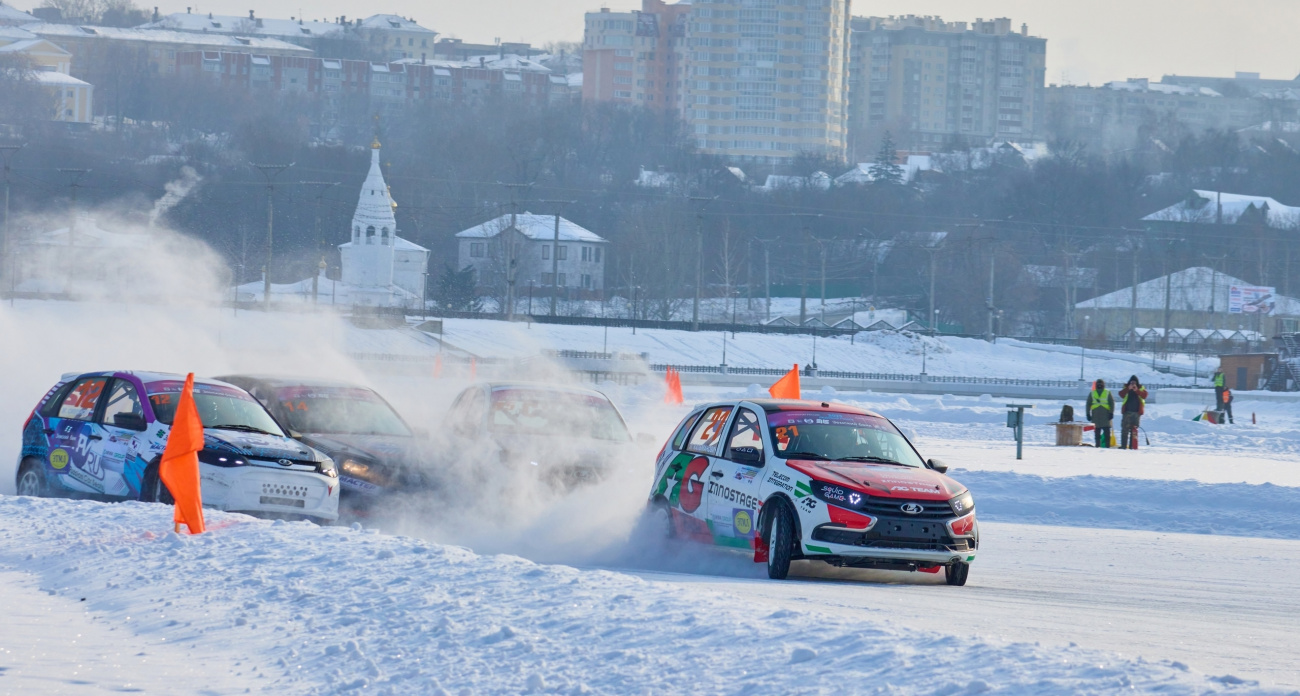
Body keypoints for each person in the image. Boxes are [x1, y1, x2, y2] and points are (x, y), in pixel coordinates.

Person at [1118, 375, 1147, 449]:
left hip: (1136, 413)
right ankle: (1123, 446)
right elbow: (1121, 394)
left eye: (1134, 383)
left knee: (1134, 431)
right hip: (1127, 412)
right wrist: (1128, 388)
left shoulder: (1140, 388)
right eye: (1132, 383)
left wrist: (1137, 390)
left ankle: (1132, 446)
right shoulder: (1126, 388)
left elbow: (1145, 395)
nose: (1133, 384)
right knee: (1125, 430)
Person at [1086, 379, 1114, 448]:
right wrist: (1088, 414)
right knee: (1097, 434)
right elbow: (1088, 403)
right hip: (1096, 416)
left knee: (1107, 433)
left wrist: (1111, 413)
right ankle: (1097, 446)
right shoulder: (1092, 393)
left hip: (1106, 416)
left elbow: (1112, 403)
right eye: (1098, 383)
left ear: (1103, 385)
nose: (1099, 385)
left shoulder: (1107, 392)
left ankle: (1107, 446)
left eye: (1101, 383)